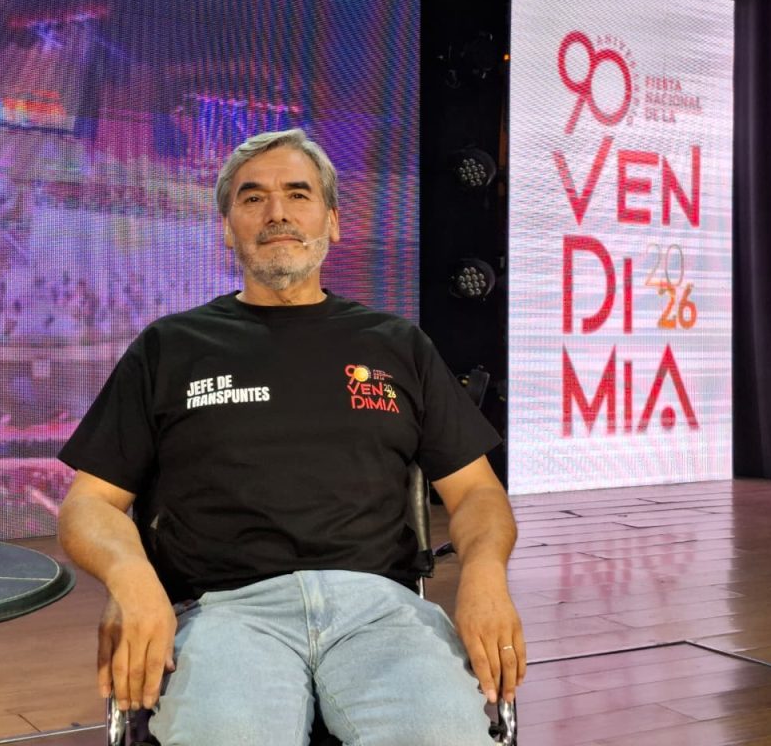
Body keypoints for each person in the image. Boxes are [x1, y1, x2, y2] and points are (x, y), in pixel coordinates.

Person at [57, 129, 525, 745]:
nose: (276, 212)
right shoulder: (170, 347)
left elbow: (477, 494)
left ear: (332, 221)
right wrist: (130, 578)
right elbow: (90, 504)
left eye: (298, 194)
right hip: (226, 614)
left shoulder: (398, 345)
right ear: (228, 229)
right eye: (253, 198)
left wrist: (485, 576)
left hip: (381, 612)